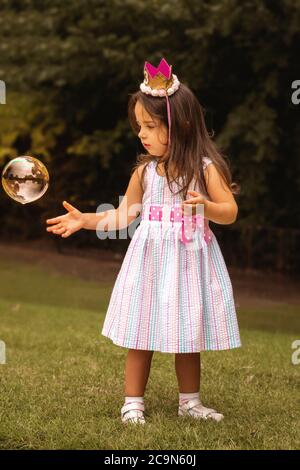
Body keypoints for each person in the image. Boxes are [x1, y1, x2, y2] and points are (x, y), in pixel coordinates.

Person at [46, 58, 241, 426]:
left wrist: (208, 207)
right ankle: (133, 402)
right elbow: (123, 215)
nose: (142, 133)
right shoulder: (145, 172)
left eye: (150, 126)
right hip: (150, 262)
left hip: (188, 261)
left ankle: (190, 402)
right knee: (142, 330)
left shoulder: (204, 168)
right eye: (139, 126)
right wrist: (87, 219)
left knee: (188, 332)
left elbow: (229, 211)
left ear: (180, 125)